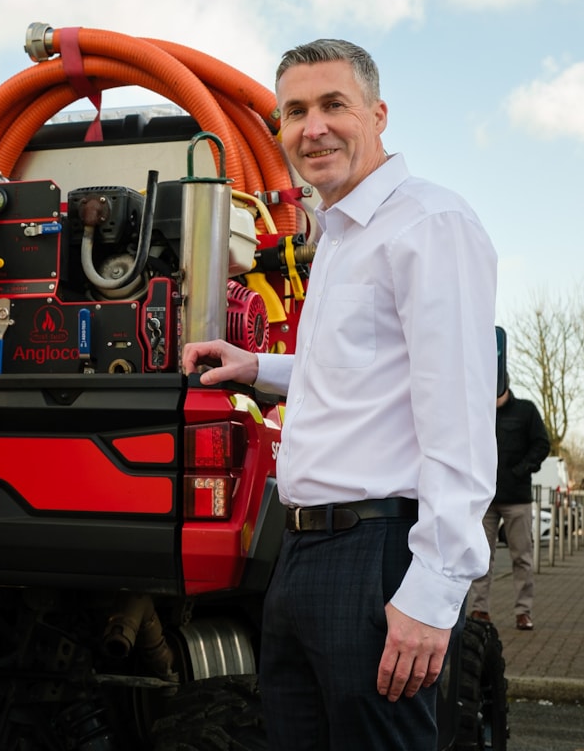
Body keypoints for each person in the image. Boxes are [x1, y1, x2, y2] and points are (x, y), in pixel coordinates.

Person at [181, 39, 497, 749]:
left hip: (377, 553)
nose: (312, 127)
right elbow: (361, 370)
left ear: (378, 114)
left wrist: (432, 593)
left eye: (333, 105)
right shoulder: (342, 233)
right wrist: (257, 367)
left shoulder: (428, 224)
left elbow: (458, 412)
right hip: (301, 556)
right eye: (294, 112)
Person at [468, 374, 550, 630]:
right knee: (482, 557)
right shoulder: (479, 412)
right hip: (485, 499)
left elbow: (541, 444)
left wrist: (522, 469)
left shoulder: (526, 411)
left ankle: (523, 612)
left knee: (522, 557)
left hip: (517, 499)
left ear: (505, 385)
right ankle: (480, 610)